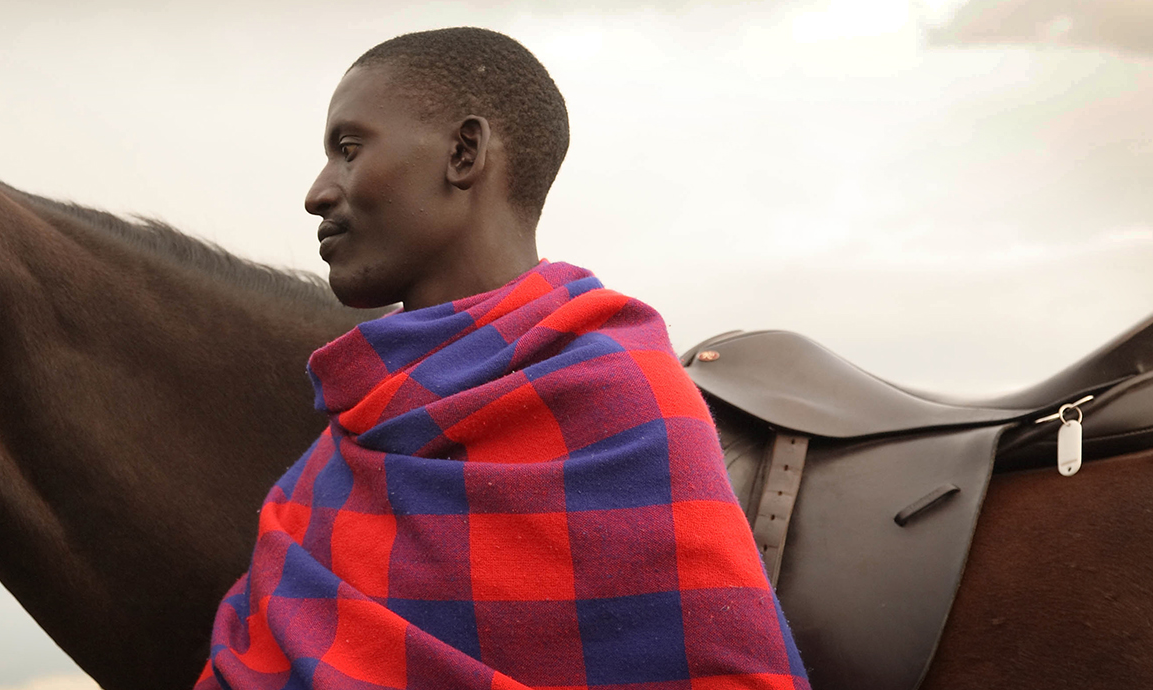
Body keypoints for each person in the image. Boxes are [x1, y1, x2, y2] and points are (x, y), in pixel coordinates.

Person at [197, 28, 808, 690]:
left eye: (349, 150)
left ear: (463, 153)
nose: (318, 192)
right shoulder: (341, 446)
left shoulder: (625, 402)